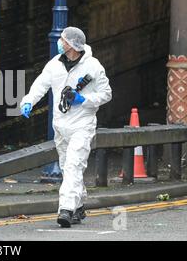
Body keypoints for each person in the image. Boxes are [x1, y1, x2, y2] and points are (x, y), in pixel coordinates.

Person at [20, 27, 112, 228]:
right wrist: (28, 101)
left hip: (82, 125)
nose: (59, 42)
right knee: (67, 167)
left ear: (71, 44)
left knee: (73, 165)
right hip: (60, 126)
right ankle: (79, 206)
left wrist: (84, 99)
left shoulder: (93, 66)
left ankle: (66, 210)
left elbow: (106, 94)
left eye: (62, 39)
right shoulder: (55, 64)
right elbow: (40, 85)